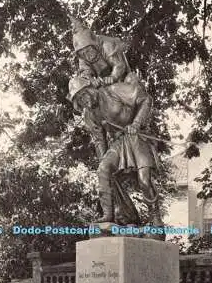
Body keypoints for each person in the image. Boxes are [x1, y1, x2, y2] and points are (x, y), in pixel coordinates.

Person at [67, 75, 164, 227]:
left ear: (90, 88)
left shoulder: (114, 90)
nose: (83, 101)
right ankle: (108, 215)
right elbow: (99, 139)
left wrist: (137, 123)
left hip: (137, 136)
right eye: (79, 100)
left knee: (144, 180)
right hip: (119, 143)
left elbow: (145, 99)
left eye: (83, 95)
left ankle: (156, 219)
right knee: (103, 170)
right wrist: (104, 159)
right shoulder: (89, 114)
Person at [70, 16, 136, 88]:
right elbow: (85, 72)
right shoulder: (83, 57)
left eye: (88, 50)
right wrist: (91, 80)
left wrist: (113, 77)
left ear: (94, 44)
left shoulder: (106, 44)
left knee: (131, 84)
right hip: (106, 83)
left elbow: (119, 65)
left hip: (126, 73)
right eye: (83, 54)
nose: (87, 55)